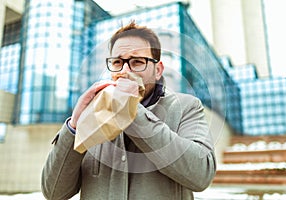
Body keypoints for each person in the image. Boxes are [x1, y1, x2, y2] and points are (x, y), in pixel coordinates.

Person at [41, 21, 216, 200]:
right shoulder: (94, 114)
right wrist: (74, 127)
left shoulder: (187, 107)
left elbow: (201, 175)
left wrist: (131, 111)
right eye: (117, 62)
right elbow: (54, 193)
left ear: (158, 70)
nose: (124, 71)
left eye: (137, 62)